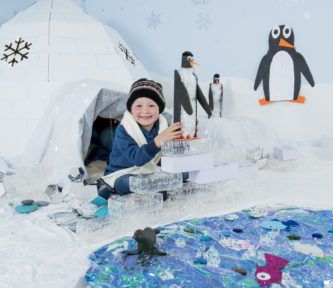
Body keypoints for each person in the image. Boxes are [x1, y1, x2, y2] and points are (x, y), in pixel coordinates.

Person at [98, 78, 186, 200]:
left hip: (148, 173)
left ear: (159, 109)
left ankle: (153, 188)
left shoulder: (161, 126)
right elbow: (137, 159)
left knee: (184, 172)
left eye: (151, 105)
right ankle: (156, 188)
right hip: (123, 174)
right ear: (131, 109)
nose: (145, 111)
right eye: (138, 106)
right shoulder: (124, 129)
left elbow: (165, 158)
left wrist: (184, 136)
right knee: (125, 182)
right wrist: (159, 140)